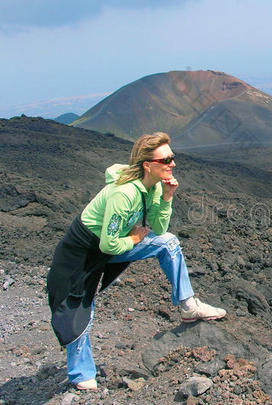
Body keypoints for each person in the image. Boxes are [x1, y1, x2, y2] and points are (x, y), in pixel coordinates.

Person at [46, 132, 226, 390]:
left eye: (172, 158)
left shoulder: (151, 187)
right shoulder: (124, 194)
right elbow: (107, 244)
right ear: (147, 165)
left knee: (169, 242)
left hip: (112, 244)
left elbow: (160, 227)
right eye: (166, 160)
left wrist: (166, 196)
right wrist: (132, 240)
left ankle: (188, 305)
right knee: (77, 308)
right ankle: (81, 374)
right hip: (81, 254)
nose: (172, 163)